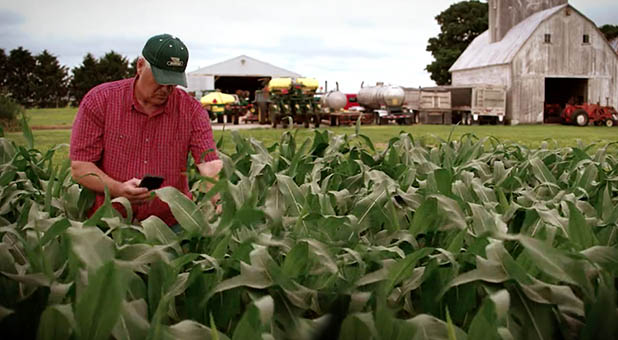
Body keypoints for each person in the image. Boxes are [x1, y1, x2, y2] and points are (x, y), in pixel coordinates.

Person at [70, 33, 222, 226]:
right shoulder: (101, 101)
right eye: (161, 79)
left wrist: (220, 200)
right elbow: (80, 168)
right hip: (109, 225)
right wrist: (118, 189)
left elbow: (209, 163)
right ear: (140, 65)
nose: (166, 88)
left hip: (170, 227)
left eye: (173, 82)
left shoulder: (191, 111)